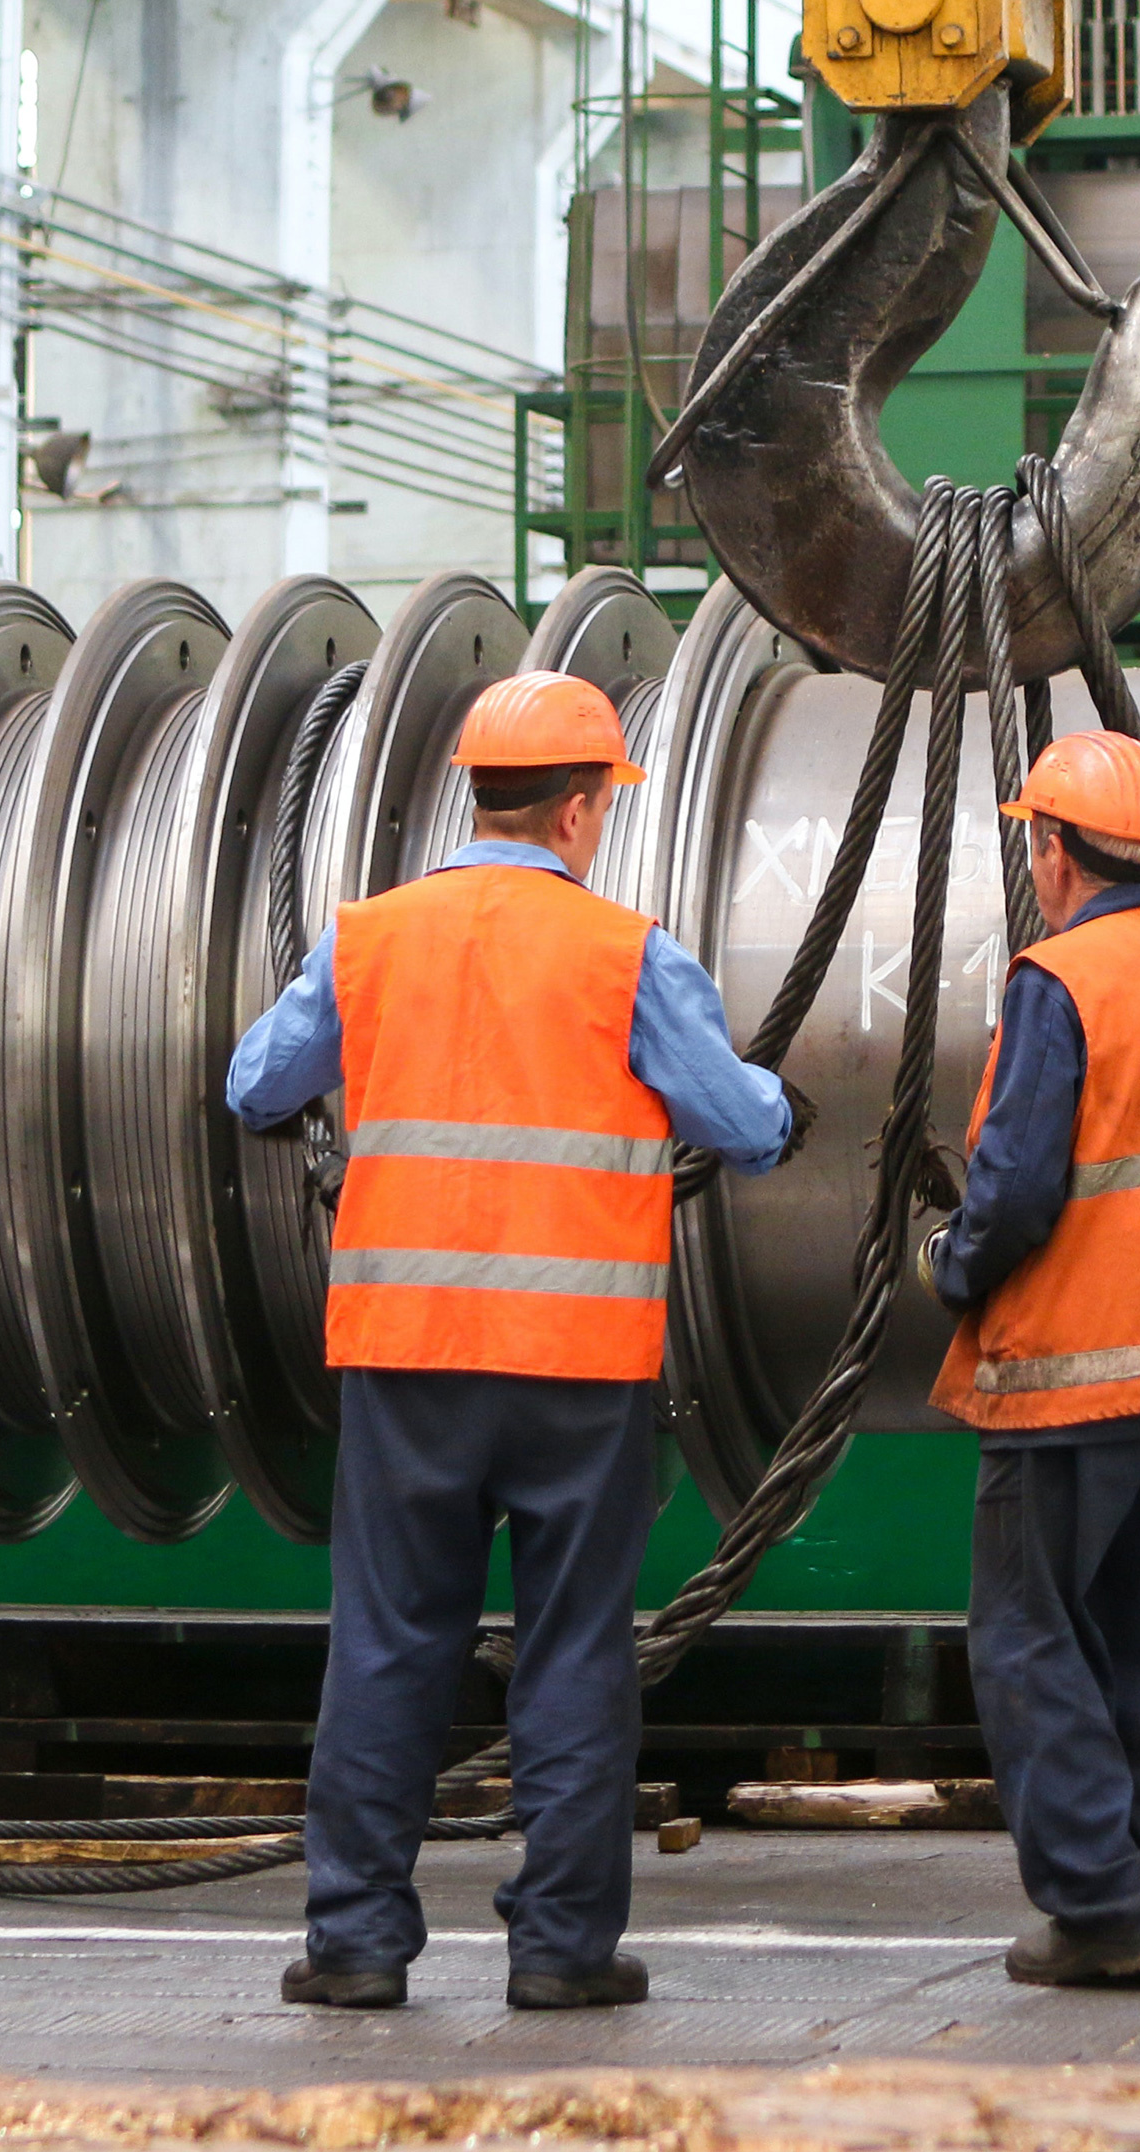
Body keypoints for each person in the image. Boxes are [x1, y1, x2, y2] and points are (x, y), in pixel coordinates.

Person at [226, 670, 796, 2013]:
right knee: (575, 1651)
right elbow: (743, 1128)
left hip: (408, 1357)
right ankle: (561, 1950)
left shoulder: (370, 938)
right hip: (575, 1370)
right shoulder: (627, 953)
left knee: (388, 1643)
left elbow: (257, 1086)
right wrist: (775, 1101)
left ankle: (357, 1946)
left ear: (475, 795)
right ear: (582, 809)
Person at [919, 729, 1140, 1989]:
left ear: (1055, 852)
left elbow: (1016, 1187)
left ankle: (1101, 1904)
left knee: (1029, 1635)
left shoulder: (1059, 979)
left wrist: (949, 1262)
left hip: (1075, 1371)